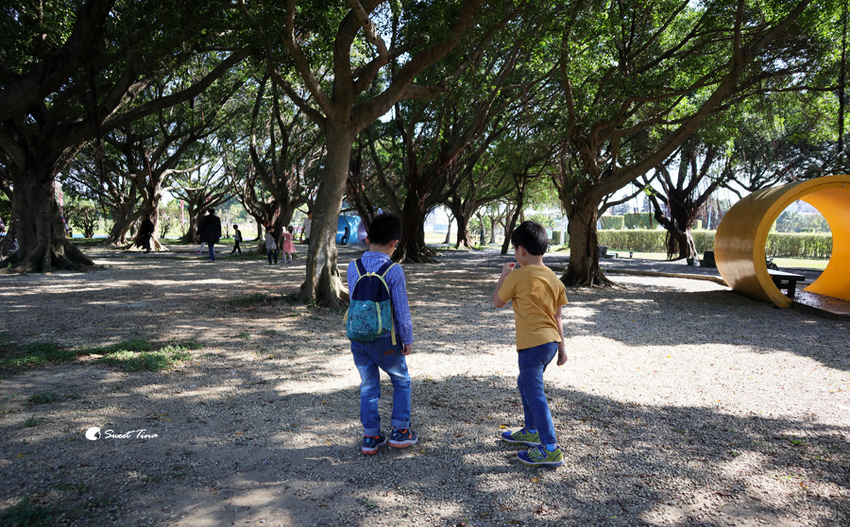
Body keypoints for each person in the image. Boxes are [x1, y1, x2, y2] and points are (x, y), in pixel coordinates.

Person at [493, 220, 568, 468]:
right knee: (524, 382)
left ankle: (550, 448)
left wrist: (504, 275)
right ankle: (532, 430)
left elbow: (497, 301)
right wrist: (562, 349)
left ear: (521, 251)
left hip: (531, 347)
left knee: (535, 393)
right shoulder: (555, 280)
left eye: (516, 249)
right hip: (549, 344)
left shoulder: (517, 276)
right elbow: (557, 318)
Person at [346, 213, 417, 455]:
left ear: (367, 239)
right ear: (394, 243)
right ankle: (400, 431)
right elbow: (402, 311)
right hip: (386, 340)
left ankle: (370, 436)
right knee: (401, 380)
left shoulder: (353, 267)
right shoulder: (394, 271)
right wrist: (407, 339)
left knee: (368, 387)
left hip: (358, 340)